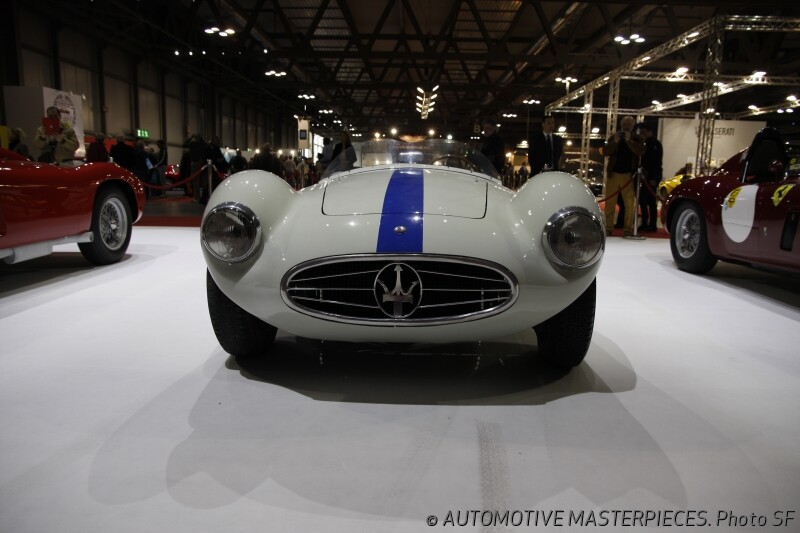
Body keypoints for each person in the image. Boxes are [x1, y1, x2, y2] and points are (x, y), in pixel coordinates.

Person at [603, 115, 646, 237]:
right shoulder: (614, 137)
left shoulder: (637, 138)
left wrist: (629, 141)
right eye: (624, 124)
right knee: (610, 203)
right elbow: (605, 151)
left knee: (629, 204)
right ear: (621, 125)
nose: (626, 126)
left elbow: (641, 151)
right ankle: (608, 227)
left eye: (629, 124)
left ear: (633, 126)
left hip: (629, 175)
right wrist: (615, 142)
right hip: (613, 174)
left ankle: (628, 229)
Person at [636, 122, 663, 232]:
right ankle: (645, 223)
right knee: (643, 200)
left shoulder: (655, 144)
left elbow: (656, 163)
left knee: (650, 201)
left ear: (649, 131)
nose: (642, 134)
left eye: (643, 132)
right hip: (646, 176)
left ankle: (651, 224)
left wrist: (653, 178)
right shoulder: (646, 143)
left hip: (651, 176)